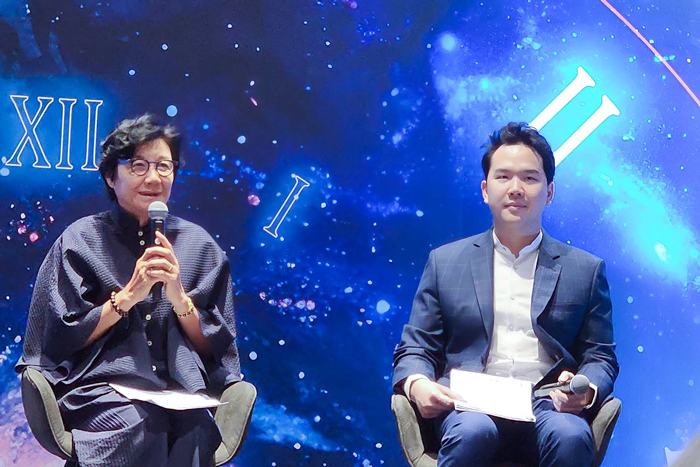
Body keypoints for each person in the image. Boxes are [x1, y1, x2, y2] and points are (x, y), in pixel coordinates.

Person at [16, 114, 241, 467]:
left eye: (164, 166)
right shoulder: (80, 240)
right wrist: (129, 296)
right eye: (138, 165)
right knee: (140, 423)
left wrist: (179, 297)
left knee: (194, 428)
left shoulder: (201, 247)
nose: (153, 178)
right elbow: (59, 339)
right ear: (111, 176)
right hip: (97, 390)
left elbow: (215, 350)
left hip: (177, 390)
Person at [392, 122, 619, 467]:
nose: (516, 189)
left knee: (571, 437)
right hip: (470, 402)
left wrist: (586, 389)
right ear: (485, 190)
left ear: (549, 192)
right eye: (503, 177)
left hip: (548, 402)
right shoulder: (445, 262)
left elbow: (600, 355)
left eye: (529, 178)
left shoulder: (585, 269)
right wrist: (417, 383)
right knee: (472, 433)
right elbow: (416, 346)